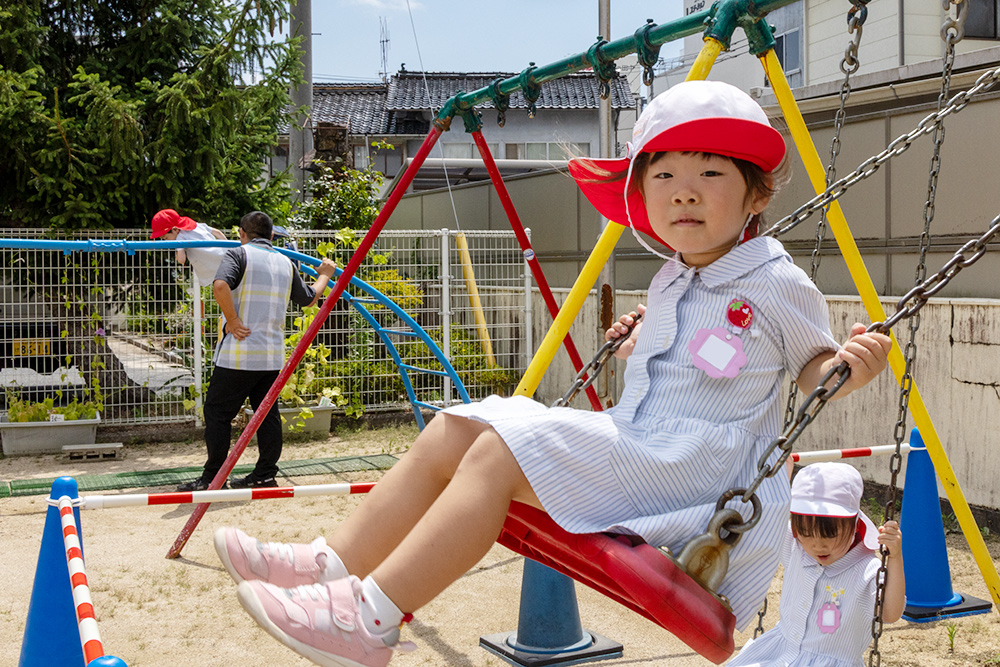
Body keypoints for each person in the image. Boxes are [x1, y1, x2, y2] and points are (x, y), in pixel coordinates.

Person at [212, 80, 893, 666]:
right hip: (643, 442)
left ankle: (369, 621)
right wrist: (637, 342)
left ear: (755, 193)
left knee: (499, 452)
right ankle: (331, 564)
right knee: (457, 425)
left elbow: (811, 368)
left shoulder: (774, 279)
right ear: (643, 195)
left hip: (701, 472)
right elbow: (697, 360)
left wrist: (848, 368)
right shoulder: (672, 278)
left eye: (711, 174)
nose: (685, 193)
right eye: (663, 176)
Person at [177, 211, 336, 492]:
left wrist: (233, 320)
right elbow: (309, 299)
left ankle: (213, 477)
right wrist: (324, 275)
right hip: (271, 355)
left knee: (217, 413)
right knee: (266, 414)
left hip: (238, 354)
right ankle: (265, 473)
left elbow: (220, 285)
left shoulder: (239, 254)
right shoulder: (285, 262)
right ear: (272, 235)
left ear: (242, 233)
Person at [726, 462, 905, 666]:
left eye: (829, 535)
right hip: (780, 652)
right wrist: (780, 481)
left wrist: (895, 557)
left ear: (855, 525)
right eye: (807, 534)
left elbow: (890, 613)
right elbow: (765, 520)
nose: (818, 545)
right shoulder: (796, 546)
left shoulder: (866, 570)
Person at [149, 208, 229, 286]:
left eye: (166, 238)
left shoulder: (180, 238)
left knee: (220, 288)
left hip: (213, 266)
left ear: (175, 229)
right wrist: (228, 247)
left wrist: (178, 255)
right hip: (224, 256)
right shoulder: (197, 225)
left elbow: (182, 260)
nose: (167, 241)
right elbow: (218, 233)